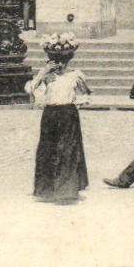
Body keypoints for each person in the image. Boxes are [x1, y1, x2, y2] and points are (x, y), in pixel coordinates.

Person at [27, 35, 91, 203]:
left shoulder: (75, 75)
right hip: (50, 114)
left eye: (63, 61)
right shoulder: (46, 76)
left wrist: (78, 103)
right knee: (47, 150)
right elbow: (30, 90)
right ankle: (46, 189)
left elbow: (85, 94)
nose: (60, 65)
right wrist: (42, 74)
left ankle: (66, 190)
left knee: (68, 150)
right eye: (56, 61)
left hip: (68, 114)